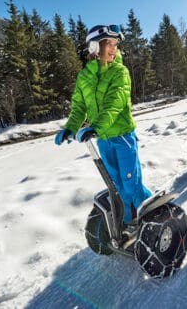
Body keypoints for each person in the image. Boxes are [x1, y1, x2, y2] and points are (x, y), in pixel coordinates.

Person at [54, 24, 152, 225]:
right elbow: (79, 107)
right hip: (104, 141)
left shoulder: (120, 72)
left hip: (123, 136)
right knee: (116, 186)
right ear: (95, 47)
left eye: (115, 44)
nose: (114, 49)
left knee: (131, 184)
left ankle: (152, 218)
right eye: (109, 44)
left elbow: (114, 103)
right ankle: (127, 223)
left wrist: (95, 126)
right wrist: (70, 128)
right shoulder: (84, 77)